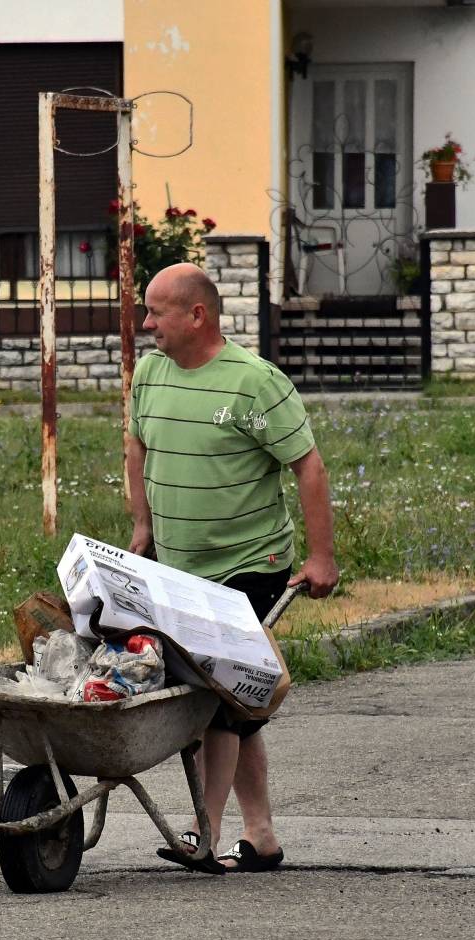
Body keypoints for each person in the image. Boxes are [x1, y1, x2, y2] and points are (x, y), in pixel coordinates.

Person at [125, 261, 338, 874]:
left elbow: (309, 467)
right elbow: (137, 446)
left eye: (155, 312)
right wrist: (143, 524)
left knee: (215, 697)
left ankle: (203, 829)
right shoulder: (150, 373)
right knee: (238, 703)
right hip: (179, 565)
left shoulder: (253, 382)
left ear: (197, 315)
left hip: (251, 563)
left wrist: (322, 557)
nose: (146, 324)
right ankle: (261, 833)